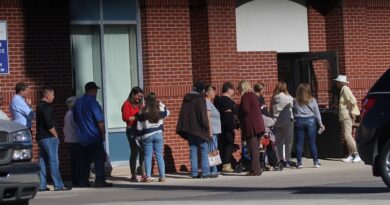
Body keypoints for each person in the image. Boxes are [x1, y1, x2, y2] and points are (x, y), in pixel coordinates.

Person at [73, 82, 113, 187]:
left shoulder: (78, 103)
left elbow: (75, 120)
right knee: (98, 159)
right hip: (94, 137)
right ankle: (100, 180)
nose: (96, 92)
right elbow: (100, 121)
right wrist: (103, 134)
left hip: (82, 137)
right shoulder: (93, 103)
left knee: (84, 161)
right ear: (93, 90)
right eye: (96, 90)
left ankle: (83, 181)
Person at [36, 87, 69, 191]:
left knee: (42, 161)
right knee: (54, 162)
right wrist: (55, 135)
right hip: (49, 138)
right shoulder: (46, 107)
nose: (54, 97)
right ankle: (58, 185)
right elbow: (49, 123)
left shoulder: (39, 106)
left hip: (41, 137)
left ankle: (42, 185)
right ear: (47, 95)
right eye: (53, 95)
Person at [176, 81, 211, 178]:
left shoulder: (186, 99)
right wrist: (207, 127)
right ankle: (205, 172)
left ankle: (194, 172)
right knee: (204, 149)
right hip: (200, 129)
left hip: (190, 129)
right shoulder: (200, 99)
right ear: (202, 90)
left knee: (193, 149)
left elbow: (183, 114)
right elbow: (203, 116)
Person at [137, 93, 169, 183]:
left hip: (147, 135)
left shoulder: (143, 111)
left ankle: (148, 177)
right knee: (159, 155)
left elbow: (139, 124)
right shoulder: (159, 109)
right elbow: (167, 113)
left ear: (146, 100)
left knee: (147, 156)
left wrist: (139, 136)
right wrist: (162, 104)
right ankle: (162, 176)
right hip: (158, 135)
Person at [293, 83, 325, 169]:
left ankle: (299, 163)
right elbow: (317, 113)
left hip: (299, 120)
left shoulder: (295, 100)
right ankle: (316, 162)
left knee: (299, 143)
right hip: (310, 121)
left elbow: (293, 112)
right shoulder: (313, 100)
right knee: (312, 143)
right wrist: (320, 123)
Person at [238, 80, 265, 176]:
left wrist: (238, 112)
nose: (238, 91)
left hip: (251, 126)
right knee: (255, 149)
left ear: (242, 87)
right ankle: (255, 169)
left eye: (239, 88)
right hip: (259, 125)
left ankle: (255, 170)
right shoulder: (254, 96)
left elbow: (245, 109)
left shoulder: (246, 96)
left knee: (252, 149)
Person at [334, 75, 361, 163]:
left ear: (340, 82)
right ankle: (351, 154)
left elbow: (353, 100)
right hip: (344, 116)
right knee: (346, 136)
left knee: (348, 136)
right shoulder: (343, 90)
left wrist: (353, 112)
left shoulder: (345, 89)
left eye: (337, 82)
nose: (337, 83)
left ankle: (357, 154)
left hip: (346, 116)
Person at [121, 87, 145, 182]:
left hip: (140, 129)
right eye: (138, 96)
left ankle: (143, 173)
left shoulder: (140, 104)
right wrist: (137, 117)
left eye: (141, 96)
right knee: (134, 152)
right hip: (131, 129)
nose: (139, 98)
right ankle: (133, 175)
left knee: (143, 151)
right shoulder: (127, 104)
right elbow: (126, 118)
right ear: (133, 94)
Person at [213, 81, 237, 173]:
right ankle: (226, 165)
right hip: (227, 127)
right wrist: (233, 127)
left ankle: (220, 164)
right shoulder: (227, 101)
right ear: (228, 90)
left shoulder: (218, 100)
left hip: (220, 127)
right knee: (228, 145)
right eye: (232, 89)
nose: (233, 91)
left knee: (221, 145)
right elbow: (228, 116)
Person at [271, 81, 294, 168]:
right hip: (287, 121)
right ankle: (287, 160)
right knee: (288, 142)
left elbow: (271, 110)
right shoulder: (288, 97)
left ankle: (280, 159)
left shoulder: (274, 97)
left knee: (279, 142)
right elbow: (293, 105)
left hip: (276, 121)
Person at [63, 96, 81, 187]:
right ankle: (78, 180)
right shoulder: (74, 114)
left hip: (69, 140)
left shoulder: (67, 114)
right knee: (78, 162)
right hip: (75, 140)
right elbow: (78, 126)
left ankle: (75, 180)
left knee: (73, 162)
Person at [205, 86, 221, 177]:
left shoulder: (210, 102)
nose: (214, 93)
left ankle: (214, 169)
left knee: (213, 149)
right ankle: (212, 169)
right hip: (213, 131)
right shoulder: (207, 102)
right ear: (207, 93)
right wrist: (210, 130)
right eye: (212, 92)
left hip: (215, 130)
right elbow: (207, 117)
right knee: (212, 150)